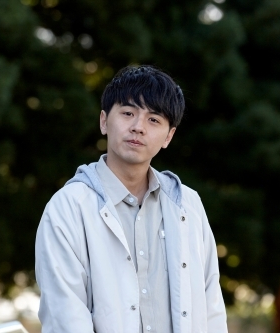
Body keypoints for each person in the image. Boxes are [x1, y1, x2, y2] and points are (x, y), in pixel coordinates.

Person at [35, 65, 227, 333]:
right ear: (104, 121)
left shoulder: (187, 204)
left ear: (168, 136)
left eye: (154, 120)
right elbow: (64, 316)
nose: (138, 127)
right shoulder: (68, 207)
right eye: (128, 113)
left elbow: (211, 307)